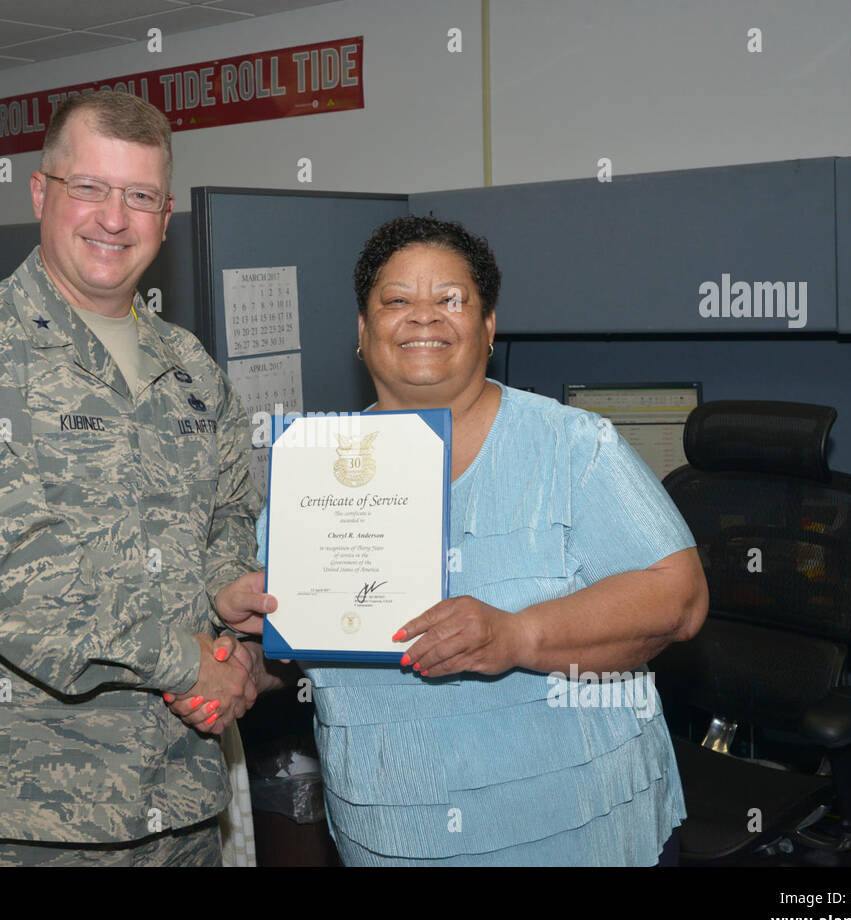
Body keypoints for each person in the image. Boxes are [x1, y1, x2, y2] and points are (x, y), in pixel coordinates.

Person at [175, 215, 708, 864]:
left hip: (577, 827)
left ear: (487, 328)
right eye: (396, 301)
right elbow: (303, 650)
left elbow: (678, 600)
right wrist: (242, 668)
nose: (423, 317)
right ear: (363, 332)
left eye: (451, 300)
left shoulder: (573, 446)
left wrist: (518, 635)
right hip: (394, 833)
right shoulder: (316, 466)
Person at [0, 90, 274, 866]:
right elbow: (7, 574)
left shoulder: (192, 368)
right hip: (21, 813)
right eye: (89, 187)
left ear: (166, 219)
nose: (113, 218)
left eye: (139, 196)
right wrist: (188, 661)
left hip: (178, 797)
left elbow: (231, 514)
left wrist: (237, 619)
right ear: (41, 193)